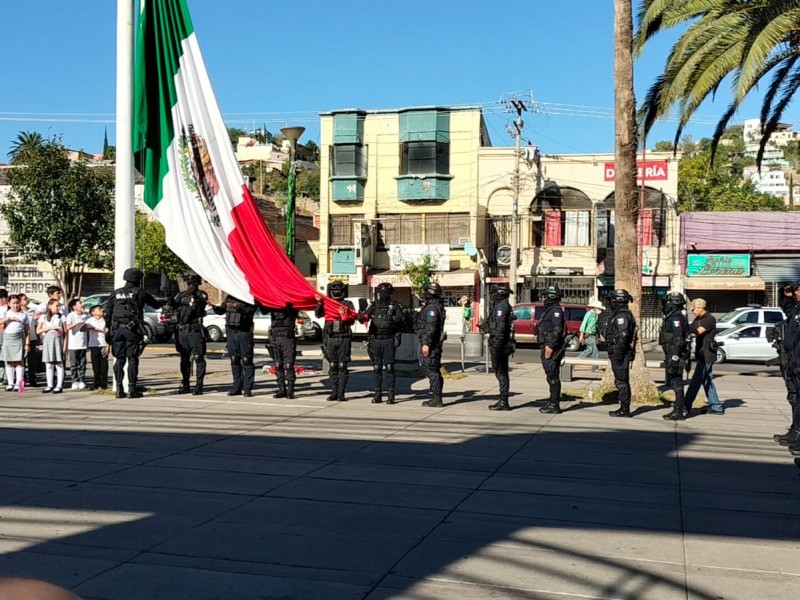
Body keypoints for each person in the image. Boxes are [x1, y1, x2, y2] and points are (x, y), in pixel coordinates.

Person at [106, 268, 162, 399]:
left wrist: (108, 331)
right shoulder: (140, 293)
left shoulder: (115, 293)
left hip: (117, 330)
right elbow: (156, 305)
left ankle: (119, 389)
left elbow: (107, 315)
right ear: (138, 279)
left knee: (119, 360)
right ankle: (132, 389)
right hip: (132, 330)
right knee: (132, 359)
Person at [361, 282, 405, 404]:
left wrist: (393, 318)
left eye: (386, 291)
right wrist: (360, 315)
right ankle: (377, 394)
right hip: (376, 339)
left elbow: (401, 321)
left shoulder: (395, 306)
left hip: (389, 339)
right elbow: (364, 317)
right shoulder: (374, 305)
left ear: (390, 293)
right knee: (377, 367)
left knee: (390, 367)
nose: (383, 294)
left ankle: (391, 395)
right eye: (382, 291)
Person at [316, 281, 358, 402]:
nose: (337, 292)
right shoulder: (327, 303)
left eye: (339, 290)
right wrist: (319, 303)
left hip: (343, 337)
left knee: (342, 366)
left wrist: (344, 316)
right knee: (333, 365)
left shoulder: (348, 303)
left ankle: (341, 393)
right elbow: (318, 314)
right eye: (335, 290)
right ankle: (334, 391)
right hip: (330, 338)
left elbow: (352, 320)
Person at [211, 294, 258, 397]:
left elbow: (252, 310)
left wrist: (239, 308)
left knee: (246, 360)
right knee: (234, 359)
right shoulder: (230, 297)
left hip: (244, 332)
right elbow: (221, 310)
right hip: (231, 333)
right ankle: (236, 387)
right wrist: (214, 307)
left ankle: (247, 388)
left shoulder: (249, 296)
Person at [684, 298, 724, 415]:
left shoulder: (709, 319)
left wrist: (685, 324)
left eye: (694, 308)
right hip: (701, 353)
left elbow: (697, 332)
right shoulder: (698, 319)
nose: (692, 311)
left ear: (701, 307)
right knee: (707, 380)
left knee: (696, 381)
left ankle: (686, 404)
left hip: (707, 354)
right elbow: (690, 330)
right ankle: (716, 406)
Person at [169, 273, 208, 395]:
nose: (192, 285)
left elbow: (201, 305)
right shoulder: (181, 295)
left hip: (195, 330)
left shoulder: (201, 295)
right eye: (190, 283)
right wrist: (169, 297)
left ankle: (199, 385)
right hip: (182, 331)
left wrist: (194, 298)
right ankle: (185, 383)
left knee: (198, 358)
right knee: (184, 359)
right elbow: (173, 305)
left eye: (194, 283)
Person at [772, 283, 800, 443]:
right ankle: (795, 430)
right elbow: (788, 310)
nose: (796, 293)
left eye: (797, 290)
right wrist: (787, 296)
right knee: (794, 397)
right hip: (791, 362)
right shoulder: (796, 310)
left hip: (797, 362)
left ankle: (798, 433)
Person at [481, 284, 515, 411]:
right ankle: (503, 399)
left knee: (501, 372)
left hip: (500, 344)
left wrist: (497, 347)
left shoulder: (501, 306)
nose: (492, 295)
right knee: (500, 372)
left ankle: (503, 400)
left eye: (494, 293)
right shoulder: (500, 305)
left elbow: (500, 329)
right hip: (498, 343)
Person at [605, 289, 637, 418]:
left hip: (620, 353)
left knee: (622, 381)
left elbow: (623, 335)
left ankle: (625, 409)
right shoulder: (620, 314)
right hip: (619, 352)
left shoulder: (622, 315)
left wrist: (618, 354)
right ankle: (623, 407)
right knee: (620, 380)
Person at [660, 292, 691, 421]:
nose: (665, 305)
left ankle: (678, 411)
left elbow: (678, 339)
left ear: (673, 304)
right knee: (674, 382)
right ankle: (680, 407)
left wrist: (675, 356)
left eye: (668, 302)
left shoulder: (676, 319)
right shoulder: (672, 317)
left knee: (677, 382)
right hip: (672, 352)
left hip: (675, 354)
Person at [416, 281, 446, 407]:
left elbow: (431, 327)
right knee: (433, 370)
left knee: (431, 370)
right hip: (433, 344)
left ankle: (436, 398)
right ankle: (436, 396)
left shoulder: (432, 308)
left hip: (431, 345)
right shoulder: (434, 306)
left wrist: (426, 343)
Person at [538, 286, 566, 414]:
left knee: (553, 376)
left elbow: (557, 330)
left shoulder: (556, 311)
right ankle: (552, 402)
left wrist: (550, 346)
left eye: (546, 296)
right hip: (547, 345)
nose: (544, 299)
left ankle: (554, 404)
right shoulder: (549, 310)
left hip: (552, 347)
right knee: (550, 376)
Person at [266, 301, 299, 399]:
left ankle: (290, 391)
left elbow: (296, 310)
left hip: (287, 337)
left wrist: (288, 305)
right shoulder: (272, 303)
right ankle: (281, 389)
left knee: (288, 365)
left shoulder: (291, 304)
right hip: (275, 337)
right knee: (278, 364)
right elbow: (264, 310)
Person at [0, 295, 30, 391]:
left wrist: (27, 344)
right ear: (9, 304)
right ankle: (10, 383)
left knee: (19, 362)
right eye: (13, 303)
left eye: (17, 303)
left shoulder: (24, 315)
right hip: (8, 339)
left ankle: (19, 384)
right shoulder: (6, 313)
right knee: (9, 362)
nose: (16, 305)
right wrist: (9, 319)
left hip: (19, 339)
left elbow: (27, 331)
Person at [37, 299, 65, 394]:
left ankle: (59, 385)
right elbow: (38, 330)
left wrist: (65, 345)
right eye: (56, 306)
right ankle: (49, 385)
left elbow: (65, 332)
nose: (58, 308)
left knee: (58, 363)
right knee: (49, 364)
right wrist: (50, 327)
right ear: (50, 306)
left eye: (59, 306)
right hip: (47, 340)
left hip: (57, 340)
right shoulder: (43, 317)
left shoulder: (61, 317)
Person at [65, 299, 89, 390]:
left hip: (83, 343)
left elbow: (87, 329)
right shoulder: (71, 315)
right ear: (74, 307)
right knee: (74, 364)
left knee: (82, 364)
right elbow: (67, 327)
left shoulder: (86, 316)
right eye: (80, 303)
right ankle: (74, 381)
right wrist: (77, 323)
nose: (83, 305)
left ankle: (82, 380)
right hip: (73, 344)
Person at [85, 303, 109, 390]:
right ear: (93, 312)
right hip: (94, 344)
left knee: (104, 365)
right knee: (95, 365)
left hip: (103, 344)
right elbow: (83, 329)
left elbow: (108, 333)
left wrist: (108, 344)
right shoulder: (90, 320)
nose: (101, 310)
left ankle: (104, 383)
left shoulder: (105, 320)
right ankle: (96, 382)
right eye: (99, 309)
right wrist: (92, 328)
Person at [577, 299, 605, 370]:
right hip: (588, 335)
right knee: (595, 352)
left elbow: (595, 326)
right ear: (595, 308)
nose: (600, 310)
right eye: (599, 308)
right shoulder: (589, 314)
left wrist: (599, 335)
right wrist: (581, 335)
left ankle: (577, 360)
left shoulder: (595, 315)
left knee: (590, 350)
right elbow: (583, 324)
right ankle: (594, 367)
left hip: (592, 335)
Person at [19, 294, 40, 387]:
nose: (27, 300)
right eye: (24, 299)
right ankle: (22, 380)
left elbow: (35, 324)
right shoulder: (18, 312)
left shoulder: (32, 310)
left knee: (32, 360)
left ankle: (32, 379)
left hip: (32, 338)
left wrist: (38, 336)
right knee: (21, 360)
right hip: (20, 339)